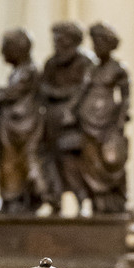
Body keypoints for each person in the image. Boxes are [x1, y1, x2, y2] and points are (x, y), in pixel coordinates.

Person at [75, 22, 130, 213]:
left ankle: (114, 202)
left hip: (107, 122)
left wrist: (120, 121)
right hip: (88, 122)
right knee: (90, 162)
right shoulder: (91, 69)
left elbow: (125, 98)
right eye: (94, 44)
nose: (96, 48)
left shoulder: (118, 69)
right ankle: (97, 200)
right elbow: (81, 93)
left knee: (110, 161)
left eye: (99, 43)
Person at [0, 27, 47, 213]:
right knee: (12, 163)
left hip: (22, 125)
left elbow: (11, 94)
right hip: (14, 125)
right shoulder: (20, 71)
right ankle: (14, 198)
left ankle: (25, 196)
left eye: (5, 47)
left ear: (17, 49)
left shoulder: (28, 71)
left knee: (18, 162)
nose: (2, 52)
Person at [39, 21, 92, 205]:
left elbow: (84, 90)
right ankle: (55, 198)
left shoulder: (85, 63)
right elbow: (43, 87)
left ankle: (82, 198)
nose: (57, 45)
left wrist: (61, 97)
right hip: (52, 122)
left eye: (61, 41)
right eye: (55, 41)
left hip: (74, 122)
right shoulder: (51, 63)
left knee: (71, 161)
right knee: (50, 161)